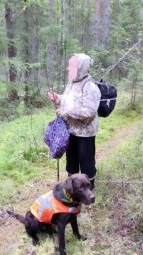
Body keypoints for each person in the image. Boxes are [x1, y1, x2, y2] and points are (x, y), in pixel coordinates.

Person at [48, 53, 101, 190]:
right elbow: (67, 102)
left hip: (85, 134)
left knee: (86, 164)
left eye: (71, 66)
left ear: (80, 68)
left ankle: (89, 191)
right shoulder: (71, 84)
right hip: (69, 130)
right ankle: (72, 189)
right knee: (71, 162)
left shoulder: (90, 87)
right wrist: (57, 98)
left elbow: (89, 111)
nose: (67, 68)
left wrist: (66, 112)